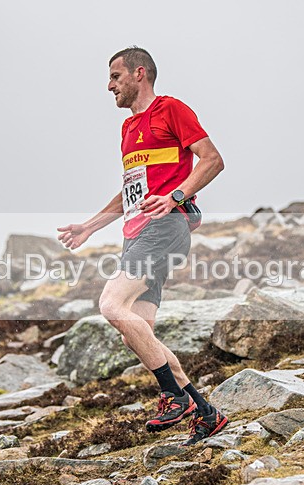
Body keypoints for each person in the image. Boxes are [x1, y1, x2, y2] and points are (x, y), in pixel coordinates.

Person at [57, 46, 227, 446]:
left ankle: (172, 396)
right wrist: (90, 226)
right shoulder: (128, 129)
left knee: (110, 306)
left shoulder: (172, 110)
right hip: (137, 232)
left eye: (115, 77)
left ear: (139, 74)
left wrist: (177, 197)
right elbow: (131, 192)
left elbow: (213, 160)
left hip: (164, 227)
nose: (109, 85)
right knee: (138, 331)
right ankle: (205, 411)